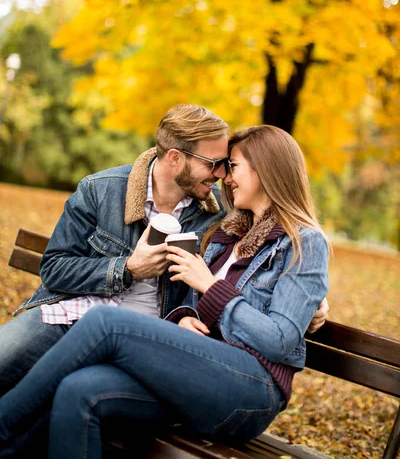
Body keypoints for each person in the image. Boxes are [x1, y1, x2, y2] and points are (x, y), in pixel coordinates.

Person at [0, 125, 330, 458]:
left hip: (250, 389)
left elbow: (279, 339)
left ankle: (3, 426)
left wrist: (211, 286)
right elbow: (191, 304)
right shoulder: (227, 234)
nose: (226, 178)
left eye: (233, 167)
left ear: (266, 169)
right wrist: (185, 318)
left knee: (106, 323)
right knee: (78, 390)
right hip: (193, 372)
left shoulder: (304, 242)